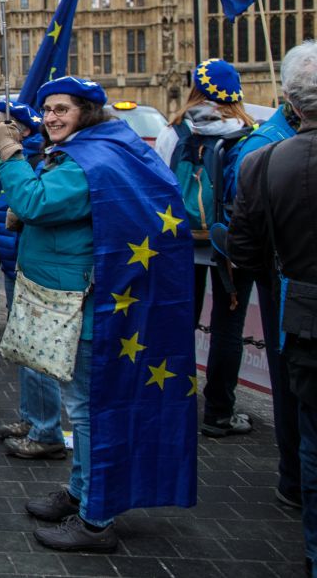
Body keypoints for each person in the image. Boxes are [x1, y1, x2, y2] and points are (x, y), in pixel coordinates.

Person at [0, 76, 195, 554]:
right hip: (80, 298)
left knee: (86, 410)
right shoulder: (100, 148)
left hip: (85, 305)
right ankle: (81, 491)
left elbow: (34, 201)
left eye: (63, 108)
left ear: (86, 111)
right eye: (47, 109)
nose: (53, 117)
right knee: (81, 406)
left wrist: (9, 154)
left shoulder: (86, 161)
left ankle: (95, 518)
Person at [229, 40, 317, 573]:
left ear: (289, 100)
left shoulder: (264, 162)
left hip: (305, 316)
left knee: (313, 436)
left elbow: (243, 251)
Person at [156, 58, 256, 437]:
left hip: (183, 241)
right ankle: (218, 413)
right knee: (228, 329)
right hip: (231, 244)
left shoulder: (175, 130)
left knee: (180, 324)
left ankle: (176, 407)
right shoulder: (248, 133)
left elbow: (161, 187)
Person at [227, 98, 303, 508]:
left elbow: (243, 241)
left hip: (287, 290)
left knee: (295, 395)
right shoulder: (265, 147)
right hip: (288, 291)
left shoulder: (262, 151)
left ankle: (295, 484)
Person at [0, 101, 66, 461]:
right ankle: (31, 418)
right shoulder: (14, 157)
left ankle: (47, 430)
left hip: (34, 266)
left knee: (38, 352)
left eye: (6, 124)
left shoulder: (34, 159)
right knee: (25, 350)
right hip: (17, 261)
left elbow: (31, 204)